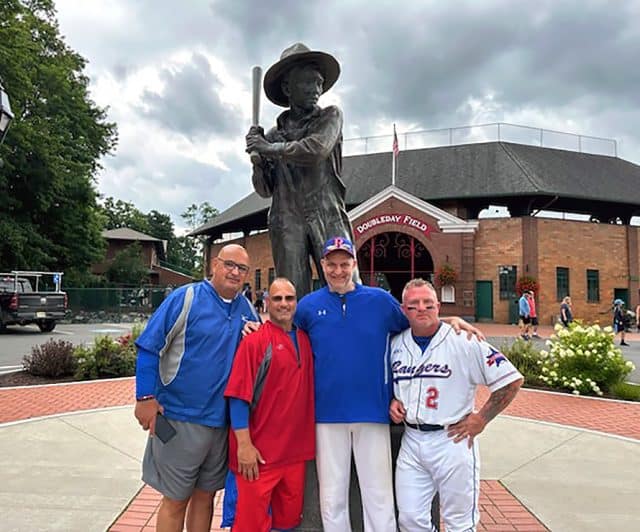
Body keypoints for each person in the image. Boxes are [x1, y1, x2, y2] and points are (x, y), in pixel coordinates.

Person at [294, 236, 484, 532]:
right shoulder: (308, 307)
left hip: (373, 412)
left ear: (353, 265)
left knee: (379, 495)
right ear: (322, 266)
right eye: (331, 264)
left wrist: (449, 320)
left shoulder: (379, 301)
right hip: (327, 414)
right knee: (332, 497)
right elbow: (286, 335)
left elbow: (419, 321)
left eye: (344, 264)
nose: (338, 270)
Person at [134, 244, 258, 532]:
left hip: (219, 423)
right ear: (215, 264)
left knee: (206, 498)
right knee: (175, 499)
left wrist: (256, 338)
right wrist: (144, 397)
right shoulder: (186, 298)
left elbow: (253, 361)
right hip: (177, 418)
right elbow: (149, 346)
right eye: (229, 264)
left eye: (242, 268)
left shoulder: (246, 309)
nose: (234, 272)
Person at [389, 278, 524, 531]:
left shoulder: (464, 340)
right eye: (414, 304)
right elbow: (391, 383)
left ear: (438, 306)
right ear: (403, 309)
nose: (421, 308)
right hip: (412, 440)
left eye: (428, 303)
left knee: (459, 523)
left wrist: (482, 418)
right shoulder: (396, 344)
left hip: (452, 439)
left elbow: (511, 380)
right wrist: (393, 401)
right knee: (409, 518)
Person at [246, 43, 357, 298]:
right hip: (286, 220)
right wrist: (258, 161)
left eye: (319, 83)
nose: (316, 90)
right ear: (287, 88)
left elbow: (316, 149)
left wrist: (269, 148)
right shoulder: (273, 136)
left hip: (327, 214)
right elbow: (264, 190)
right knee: (292, 296)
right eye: (308, 83)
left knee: (346, 288)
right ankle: (296, 339)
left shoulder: (330, 116)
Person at [224, 278, 315, 531]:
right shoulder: (254, 342)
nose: (284, 304)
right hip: (258, 456)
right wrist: (244, 446)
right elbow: (238, 397)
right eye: (277, 298)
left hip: (295, 455)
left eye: (289, 298)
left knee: (287, 524)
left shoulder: (307, 340)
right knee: (249, 525)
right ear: (266, 302)